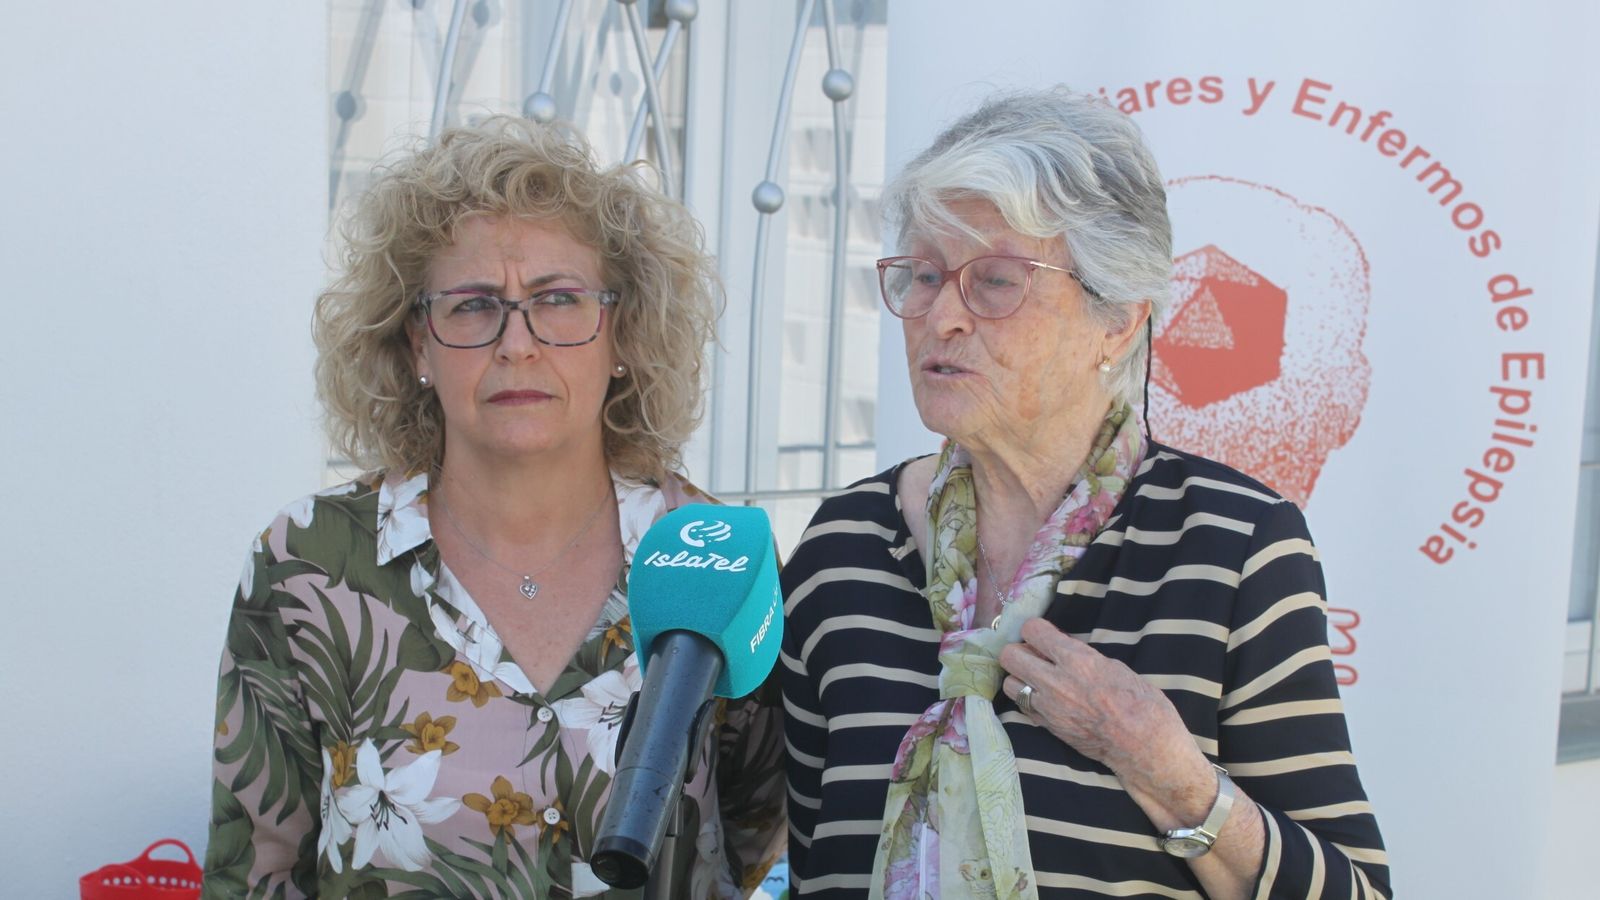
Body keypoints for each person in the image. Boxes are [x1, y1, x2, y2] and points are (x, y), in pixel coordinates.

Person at [780, 87, 1390, 899]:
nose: (941, 317)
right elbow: (806, 860)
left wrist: (1168, 770)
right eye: (925, 274)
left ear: (1119, 319)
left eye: (995, 281)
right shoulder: (841, 550)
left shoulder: (1233, 548)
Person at [204, 116, 785, 898]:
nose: (518, 344)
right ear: (417, 343)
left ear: (622, 337)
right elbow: (256, 873)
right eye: (474, 306)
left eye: (559, 300)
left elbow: (750, 838)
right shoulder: (307, 564)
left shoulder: (714, 555)